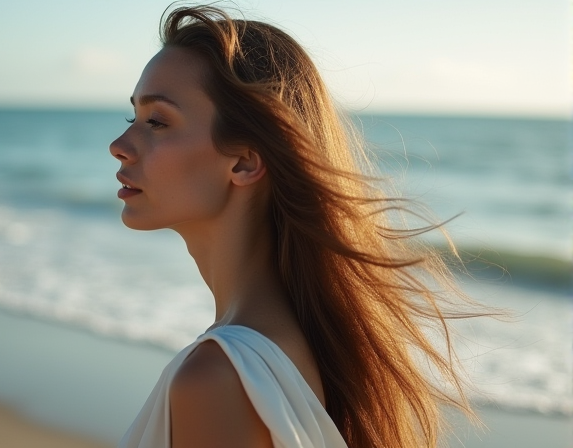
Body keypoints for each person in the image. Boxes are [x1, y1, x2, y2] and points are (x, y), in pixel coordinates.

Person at [110, 5, 481, 448]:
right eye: (133, 118)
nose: (120, 146)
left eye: (157, 121)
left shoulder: (215, 379)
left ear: (246, 161)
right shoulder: (288, 346)